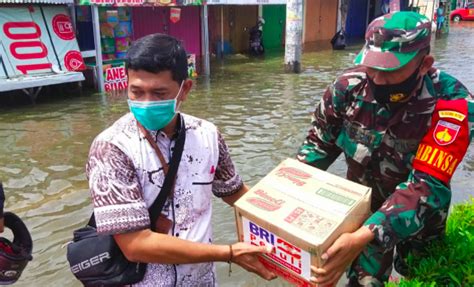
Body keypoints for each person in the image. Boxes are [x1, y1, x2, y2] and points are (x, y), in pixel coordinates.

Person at [297, 11, 473, 286]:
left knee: (420, 276)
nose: (377, 79)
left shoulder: (453, 105)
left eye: (390, 70)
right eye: (372, 67)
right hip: (361, 213)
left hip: (419, 221)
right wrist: (284, 204)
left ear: (425, 64)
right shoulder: (348, 88)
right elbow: (316, 149)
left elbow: (427, 185)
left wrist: (366, 234)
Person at [86, 34, 276, 286]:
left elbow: (235, 193)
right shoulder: (111, 147)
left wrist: (288, 216)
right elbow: (135, 244)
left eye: (158, 93)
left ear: (185, 89)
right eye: (137, 92)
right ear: (126, 86)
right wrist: (229, 253)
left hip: (201, 280)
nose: (146, 102)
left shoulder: (208, 135)